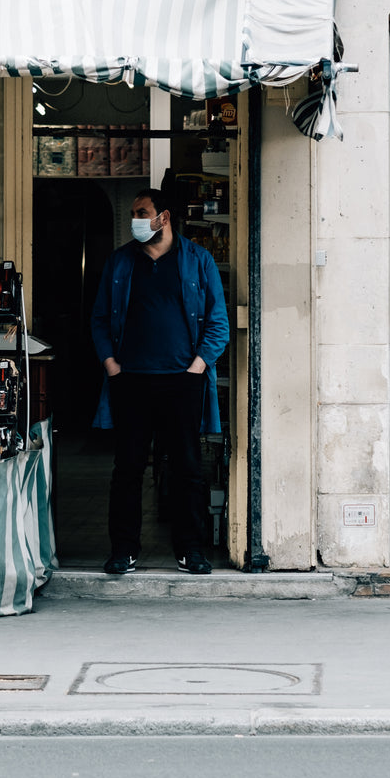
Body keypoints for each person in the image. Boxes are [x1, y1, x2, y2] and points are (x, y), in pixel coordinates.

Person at [90, 187, 230, 575]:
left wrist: (198, 367)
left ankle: (191, 551)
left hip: (182, 381)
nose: (135, 220)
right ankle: (124, 550)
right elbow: (100, 319)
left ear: (163, 217)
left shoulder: (198, 261)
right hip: (130, 380)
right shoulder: (121, 263)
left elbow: (218, 322)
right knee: (128, 468)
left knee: (186, 467)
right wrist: (112, 365)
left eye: (141, 212)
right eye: (135, 213)